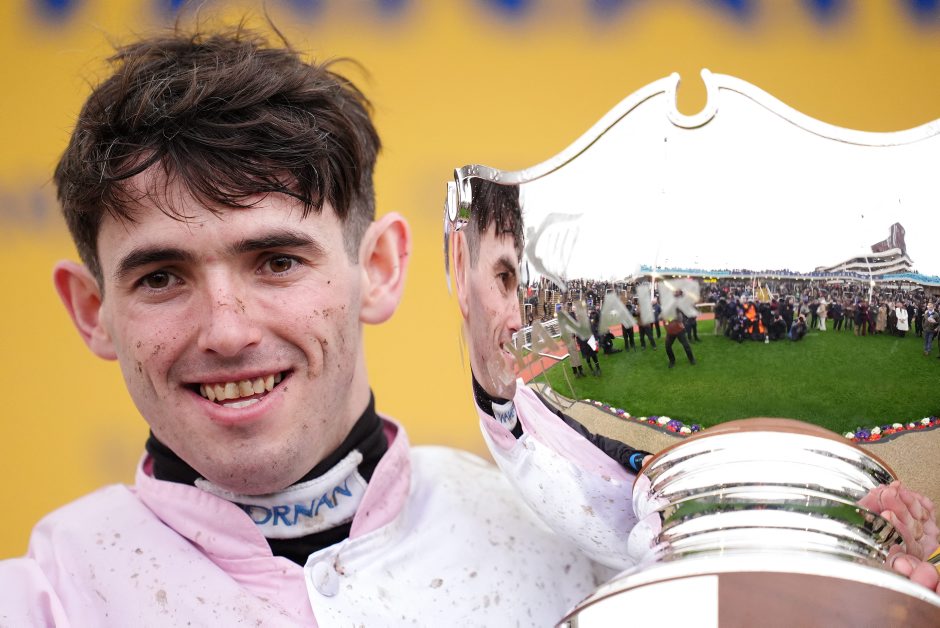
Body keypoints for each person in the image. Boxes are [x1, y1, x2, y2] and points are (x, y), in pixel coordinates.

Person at [0, 28, 599, 625]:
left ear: (379, 268)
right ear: (92, 311)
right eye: (160, 278)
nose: (227, 333)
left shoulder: (569, 549)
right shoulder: (42, 602)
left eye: (278, 263)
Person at [452, 176, 652, 572]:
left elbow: (588, 438)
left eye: (519, 283)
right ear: (460, 274)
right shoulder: (482, 474)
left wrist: (633, 457)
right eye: (502, 278)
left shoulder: (531, 397)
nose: (517, 319)